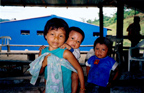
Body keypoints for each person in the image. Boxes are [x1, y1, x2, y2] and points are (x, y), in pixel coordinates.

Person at [30, 18, 85, 93]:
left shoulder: (66, 53)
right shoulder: (42, 51)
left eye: (61, 36)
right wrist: (43, 64)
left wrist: (82, 89)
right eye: (52, 34)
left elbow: (79, 69)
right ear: (46, 35)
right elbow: (39, 72)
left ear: (65, 38)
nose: (56, 38)